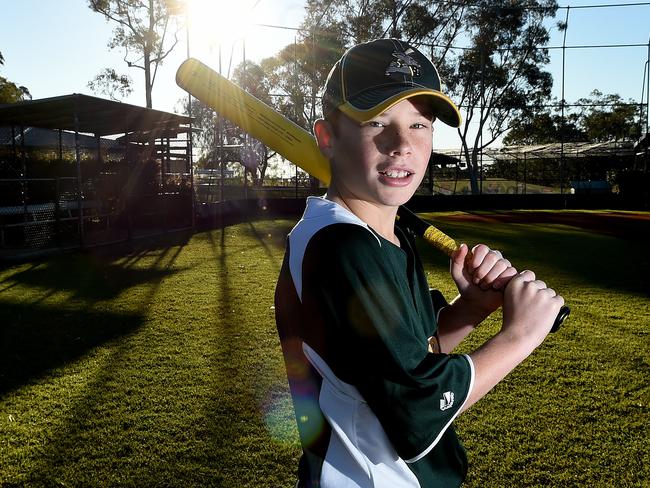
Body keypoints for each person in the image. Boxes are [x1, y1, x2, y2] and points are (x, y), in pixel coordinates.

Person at [274, 38, 564, 488]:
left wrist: (469, 309)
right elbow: (420, 406)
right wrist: (520, 335)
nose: (401, 144)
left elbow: (413, 354)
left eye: (419, 125)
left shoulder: (387, 235)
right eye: (376, 122)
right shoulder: (340, 247)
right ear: (327, 138)